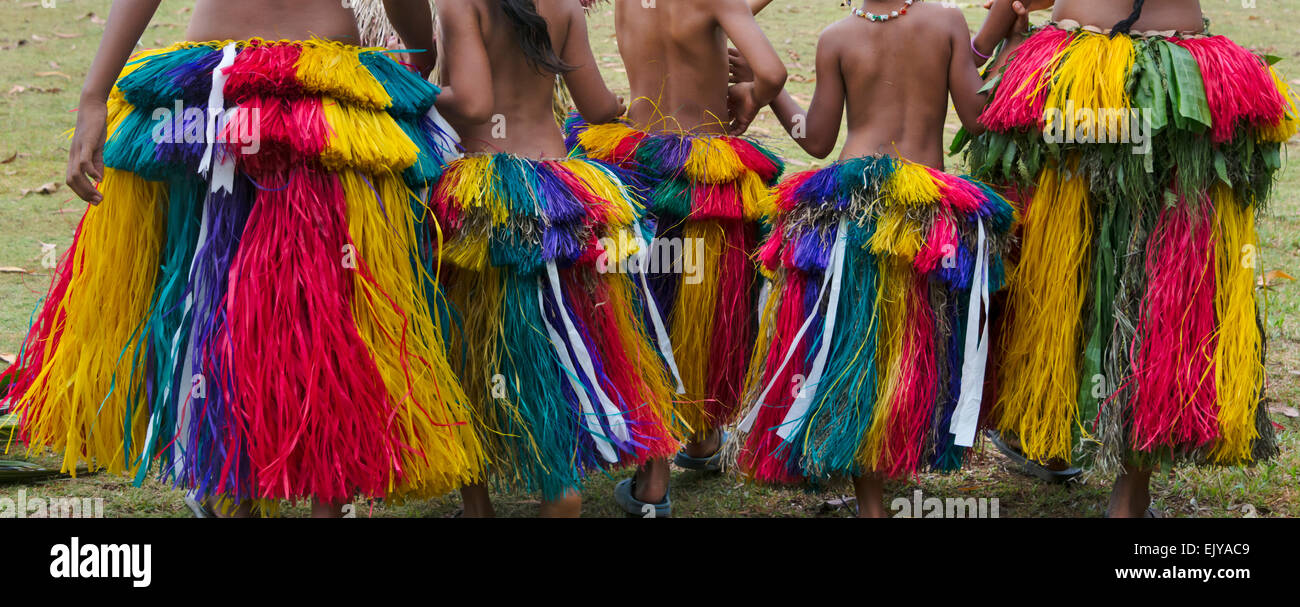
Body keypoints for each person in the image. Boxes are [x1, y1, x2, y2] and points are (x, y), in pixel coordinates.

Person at [2, 0, 483, 517]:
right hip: (318, 89)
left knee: (221, 287)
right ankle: (312, 496)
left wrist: (95, 95)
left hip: (217, 88)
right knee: (330, 308)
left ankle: (231, 486)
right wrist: (419, 50)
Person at [962, 0, 1294, 517]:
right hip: (1171, 72)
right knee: (1151, 270)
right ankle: (1117, 484)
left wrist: (990, 41)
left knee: (1074, 260)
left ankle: (1052, 431)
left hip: (1084, 73)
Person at [726, 0, 1020, 517]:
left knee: (856, 349)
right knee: (908, 343)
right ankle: (892, 466)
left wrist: (769, 92)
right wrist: (1011, 47)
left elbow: (814, 141)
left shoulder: (837, 36)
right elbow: (978, 120)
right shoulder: (947, 23)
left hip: (852, 208)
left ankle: (871, 502)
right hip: (925, 214)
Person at [430, 0, 681, 518]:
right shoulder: (565, 5)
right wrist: (620, 104)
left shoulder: (461, 3)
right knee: (569, 340)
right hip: (562, 197)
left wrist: (406, 86)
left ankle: (482, 504)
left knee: (473, 346)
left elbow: (472, 104)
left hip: (486, 200)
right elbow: (596, 108)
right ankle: (561, 483)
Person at [566, 0, 788, 518]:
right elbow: (774, 71)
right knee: (704, 299)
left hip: (635, 162)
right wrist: (752, 97)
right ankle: (674, 460)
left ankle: (677, 455)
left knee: (652, 311)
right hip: (701, 172)